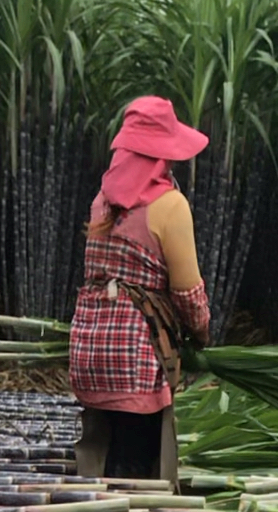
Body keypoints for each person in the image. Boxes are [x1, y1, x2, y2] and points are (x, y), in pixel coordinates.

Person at [70, 96, 211, 487]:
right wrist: (201, 335)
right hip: (134, 360)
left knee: (106, 450)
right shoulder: (170, 205)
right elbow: (187, 294)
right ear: (162, 156)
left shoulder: (101, 202)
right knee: (136, 466)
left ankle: (98, 504)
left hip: (89, 351)